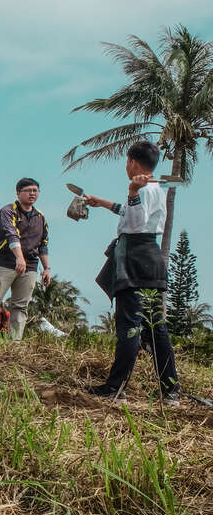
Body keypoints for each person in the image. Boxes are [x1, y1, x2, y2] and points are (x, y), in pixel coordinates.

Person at [82, 140, 180, 403]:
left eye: (127, 162)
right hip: (151, 260)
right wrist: (101, 202)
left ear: (133, 162)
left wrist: (132, 191)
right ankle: (171, 390)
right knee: (155, 328)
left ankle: (116, 388)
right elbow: (127, 212)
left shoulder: (143, 189)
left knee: (129, 327)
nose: (126, 166)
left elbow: (135, 223)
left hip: (136, 260)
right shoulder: (155, 188)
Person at [0, 178, 51, 340]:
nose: (32, 193)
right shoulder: (8, 211)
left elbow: (43, 244)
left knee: (21, 306)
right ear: (18, 193)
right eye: (28, 190)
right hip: (5, 262)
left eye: (35, 190)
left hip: (30, 265)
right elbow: (11, 234)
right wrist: (19, 258)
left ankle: (14, 341)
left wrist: (47, 268)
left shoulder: (40, 217)